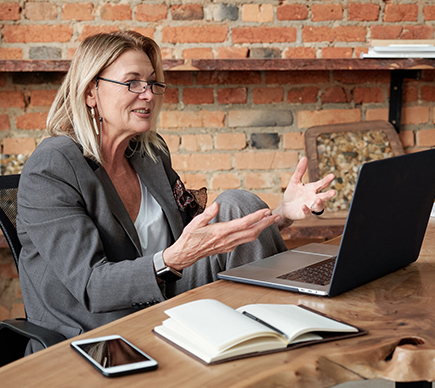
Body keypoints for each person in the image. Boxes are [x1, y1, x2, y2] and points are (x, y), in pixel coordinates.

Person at [16, 30, 335, 353]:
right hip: (99, 327)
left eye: (152, 83)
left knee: (237, 203)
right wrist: (172, 259)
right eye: (132, 83)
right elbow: (92, 287)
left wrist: (282, 213)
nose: (148, 95)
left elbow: (206, 237)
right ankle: (277, 348)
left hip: (166, 304)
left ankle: (286, 336)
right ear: (90, 92)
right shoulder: (52, 167)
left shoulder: (148, 154)